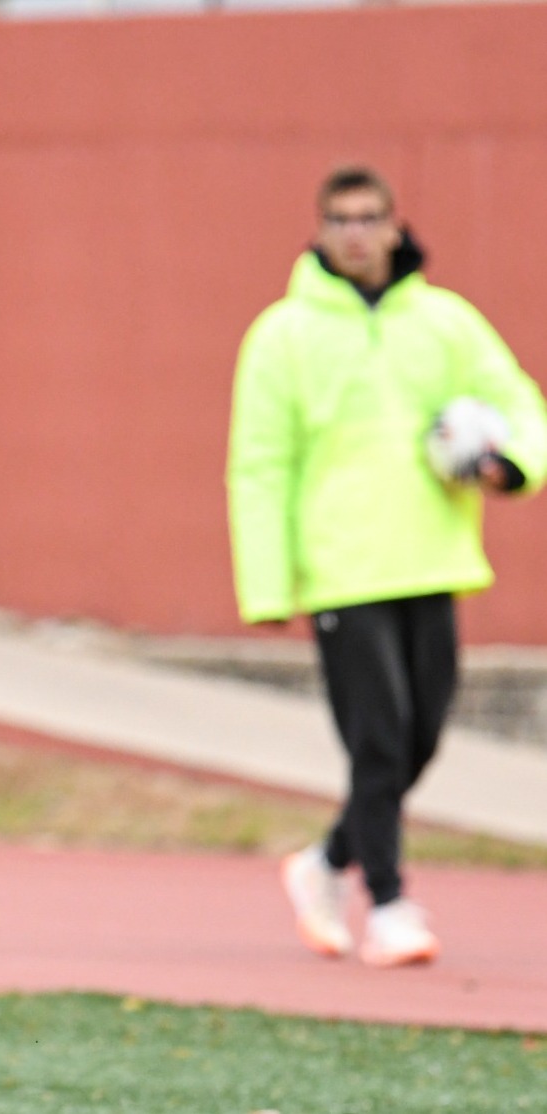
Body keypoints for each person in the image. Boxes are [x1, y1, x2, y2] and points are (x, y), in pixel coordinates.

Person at [228, 164, 546, 968]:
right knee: (377, 743)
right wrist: (267, 583)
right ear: (321, 230)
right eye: (342, 220)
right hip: (341, 568)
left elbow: (517, 402)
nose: (358, 233)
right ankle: (392, 904)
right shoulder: (283, 334)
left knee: (421, 741)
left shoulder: (445, 322)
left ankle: (326, 863)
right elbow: (259, 464)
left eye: (371, 218)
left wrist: (510, 465)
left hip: (433, 557)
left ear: (396, 226)